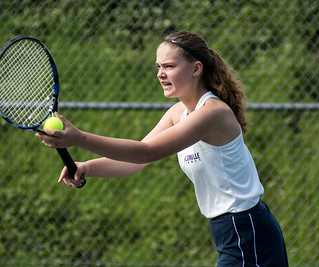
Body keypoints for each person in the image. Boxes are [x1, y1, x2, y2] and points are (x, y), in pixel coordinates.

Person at [36, 30, 288, 266]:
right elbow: (137, 159)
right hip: (230, 230)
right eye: (158, 67)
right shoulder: (178, 112)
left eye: (169, 66)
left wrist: (79, 138)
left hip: (248, 231)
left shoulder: (212, 113)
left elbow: (148, 152)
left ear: (196, 68)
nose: (160, 74)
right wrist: (86, 167)